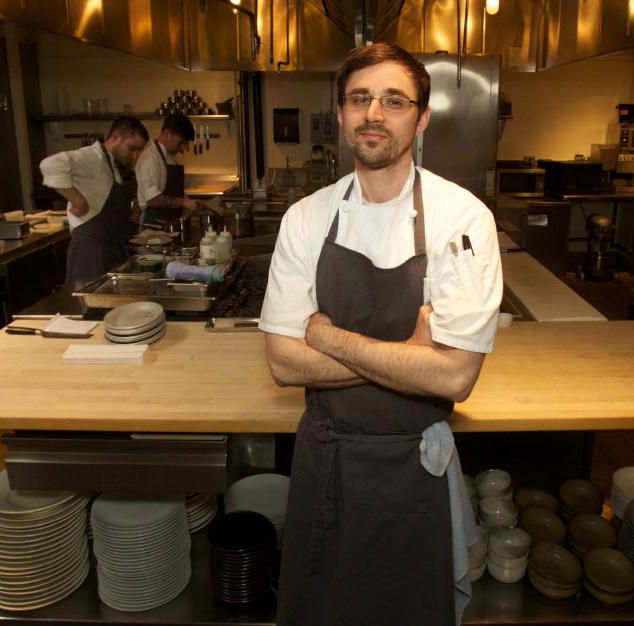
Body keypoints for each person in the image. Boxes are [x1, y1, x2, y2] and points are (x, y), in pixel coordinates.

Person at [259, 43, 503, 626]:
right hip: (326, 460)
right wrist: (410, 354)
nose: (375, 113)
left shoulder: (462, 219)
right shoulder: (306, 218)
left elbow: (454, 375)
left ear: (420, 119)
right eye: (360, 98)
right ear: (342, 113)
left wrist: (327, 336)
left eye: (394, 101)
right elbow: (283, 364)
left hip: (413, 469)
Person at [40, 116, 148, 289]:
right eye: (132, 148)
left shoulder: (111, 164)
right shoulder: (93, 157)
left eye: (138, 151)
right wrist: (77, 200)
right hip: (90, 255)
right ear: (116, 137)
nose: (134, 155)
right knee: (88, 310)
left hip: (110, 252)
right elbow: (50, 164)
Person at [135, 113, 202, 227]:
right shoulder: (150, 157)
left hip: (169, 225)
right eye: (180, 143)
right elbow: (152, 199)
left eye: (185, 144)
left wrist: (186, 200)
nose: (182, 149)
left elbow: (170, 192)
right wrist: (183, 202)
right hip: (153, 227)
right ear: (167, 133)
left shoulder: (169, 157)